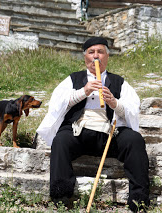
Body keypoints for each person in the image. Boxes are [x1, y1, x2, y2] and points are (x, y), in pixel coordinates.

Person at [36, 37, 150, 212]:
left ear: (107, 56)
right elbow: (57, 105)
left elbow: (132, 111)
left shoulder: (119, 82)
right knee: (61, 141)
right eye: (91, 52)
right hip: (79, 131)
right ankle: (61, 198)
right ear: (85, 57)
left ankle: (139, 201)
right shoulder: (73, 79)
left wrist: (114, 103)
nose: (96, 56)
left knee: (134, 140)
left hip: (110, 132)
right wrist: (84, 91)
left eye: (100, 52)